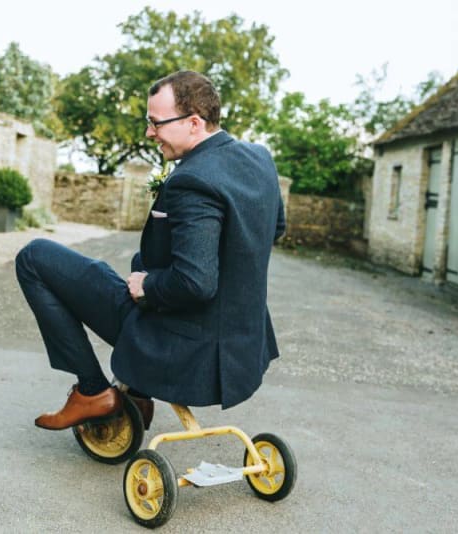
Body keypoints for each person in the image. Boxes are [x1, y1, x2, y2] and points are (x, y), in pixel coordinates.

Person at [15, 70, 285, 431]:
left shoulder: (194, 180)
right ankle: (136, 393)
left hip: (184, 348)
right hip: (240, 347)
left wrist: (148, 286)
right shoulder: (258, 158)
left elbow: (195, 283)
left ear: (193, 123)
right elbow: (275, 228)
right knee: (118, 268)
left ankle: (93, 391)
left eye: (155, 123)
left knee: (34, 257)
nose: (148, 133)